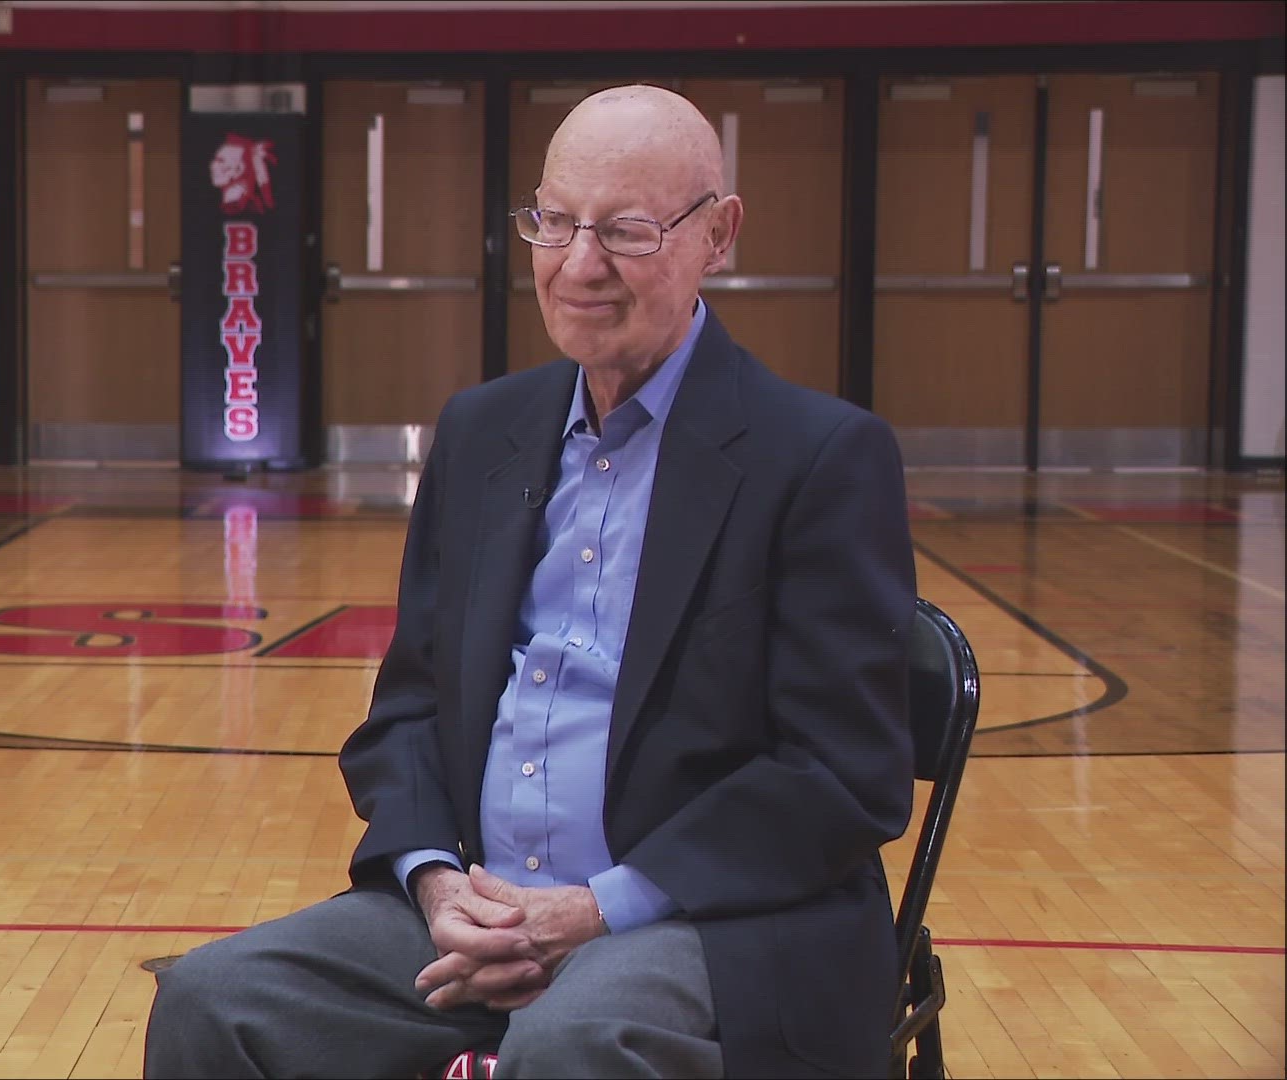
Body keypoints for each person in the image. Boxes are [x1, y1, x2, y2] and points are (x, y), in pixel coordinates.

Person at [145, 83, 917, 1079]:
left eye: (627, 231)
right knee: (214, 1003)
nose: (578, 264)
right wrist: (434, 885)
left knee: (572, 1045)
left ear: (718, 235)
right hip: (477, 910)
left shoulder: (821, 458)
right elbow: (408, 712)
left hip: (706, 921)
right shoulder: (479, 432)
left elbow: (842, 776)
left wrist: (599, 910)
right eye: (553, 222)